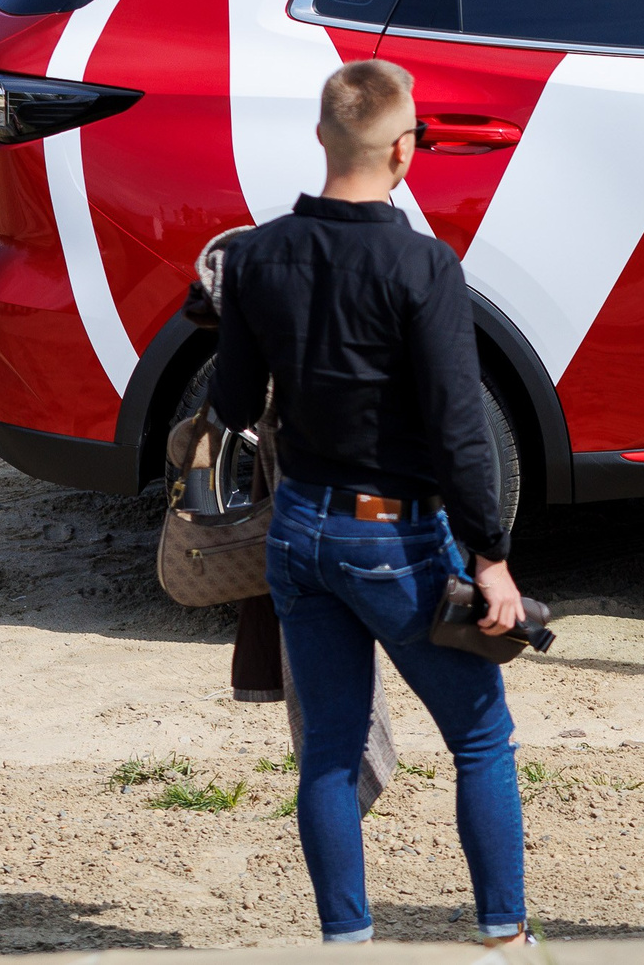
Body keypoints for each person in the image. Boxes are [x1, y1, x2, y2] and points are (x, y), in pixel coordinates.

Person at [211, 60, 533, 948]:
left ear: (322, 136)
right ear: (404, 149)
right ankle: (504, 938)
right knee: (479, 738)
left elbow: (234, 408)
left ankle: (346, 943)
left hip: (298, 536)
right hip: (391, 539)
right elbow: (459, 426)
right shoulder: (423, 266)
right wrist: (491, 556)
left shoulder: (255, 256)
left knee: (327, 749)